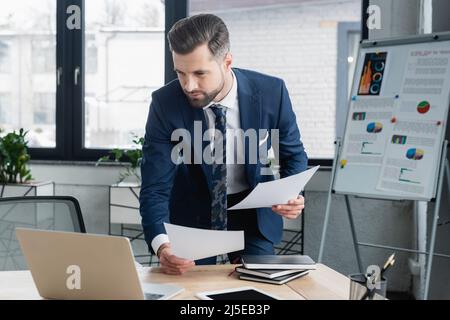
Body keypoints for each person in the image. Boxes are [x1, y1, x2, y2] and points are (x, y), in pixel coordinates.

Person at [140, 13, 308, 275]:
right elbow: (155, 187)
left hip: (253, 212)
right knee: (189, 293)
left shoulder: (272, 92)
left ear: (227, 61)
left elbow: (293, 154)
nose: (188, 85)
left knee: (258, 289)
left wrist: (293, 194)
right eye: (180, 73)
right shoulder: (165, 104)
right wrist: (163, 246)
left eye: (199, 73)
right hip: (192, 215)